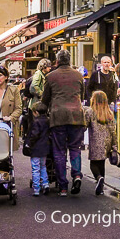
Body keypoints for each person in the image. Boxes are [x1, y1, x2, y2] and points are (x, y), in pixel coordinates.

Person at [41, 49, 85, 197]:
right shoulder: (78, 75)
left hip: (58, 116)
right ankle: (77, 175)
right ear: (70, 60)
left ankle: (63, 186)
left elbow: (45, 100)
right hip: (76, 116)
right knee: (75, 148)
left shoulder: (51, 76)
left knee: (59, 151)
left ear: (57, 61)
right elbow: (82, 95)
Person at [84, 91, 117, 196]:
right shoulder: (109, 113)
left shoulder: (90, 112)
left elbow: (84, 126)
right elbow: (113, 131)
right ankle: (101, 188)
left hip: (95, 141)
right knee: (101, 163)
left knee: (93, 164)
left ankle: (99, 178)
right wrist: (114, 145)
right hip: (107, 141)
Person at [27, 102, 51, 196]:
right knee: (43, 166)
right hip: (45, 147)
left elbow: (34, 135)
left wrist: (29, 144)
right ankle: (45, 184)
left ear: (36, 112)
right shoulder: (48, 121)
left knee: (35, 168)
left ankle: (36, 188)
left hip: (36, 148)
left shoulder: (35, 122)